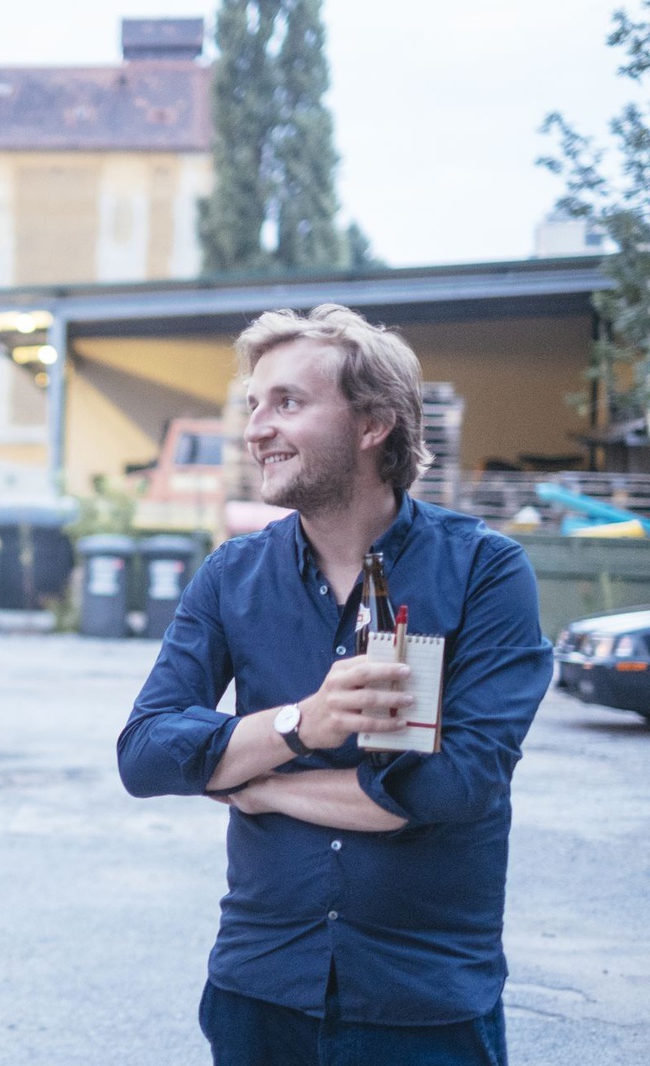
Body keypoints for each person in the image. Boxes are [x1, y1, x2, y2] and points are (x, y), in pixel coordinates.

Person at [117, 304, 551, 1066]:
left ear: (373, 423)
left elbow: (459, 785)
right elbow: (145, 754)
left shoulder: (484, 571)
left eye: (287, 402)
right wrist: (298, 726)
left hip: (423, 1001)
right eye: (254, 405)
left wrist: (261, 783)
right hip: (260, 991)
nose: (256, 429)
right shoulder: (232, 576)